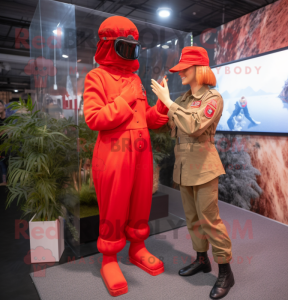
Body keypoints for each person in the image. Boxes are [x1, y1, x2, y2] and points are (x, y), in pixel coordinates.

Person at [83, 16, 169, 297]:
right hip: (113, 156)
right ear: (108, 45)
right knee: (114, 206)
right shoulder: (96, 77)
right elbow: (94, 118)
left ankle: (137, 248)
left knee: (141, 202)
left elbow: (146, 119)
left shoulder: (135, 79)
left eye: (134, 47)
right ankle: (108, 259)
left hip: (142, 155)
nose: (130, 53)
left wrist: (162, 109)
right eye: (124, 46)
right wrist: (125, 100)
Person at [151, 46, 235, 299]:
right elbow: (167, 126)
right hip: (184, 167)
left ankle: (225, 271)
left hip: (204, 167)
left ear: (198, 69)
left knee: (209, 219)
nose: (179, 74)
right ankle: (201, 260)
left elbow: (194, 126)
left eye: (183, 69)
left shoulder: (213, 98)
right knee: (192, 219)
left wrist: (168, 102)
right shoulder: (184, 100)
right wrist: (158, 108)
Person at [0, 100, 7, 186]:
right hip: (1, 145)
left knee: (4, 163)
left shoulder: (8, 119)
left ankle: (5, 181)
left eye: (0, 105)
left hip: (7, 145)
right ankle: (4, 181)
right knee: (1, 164)